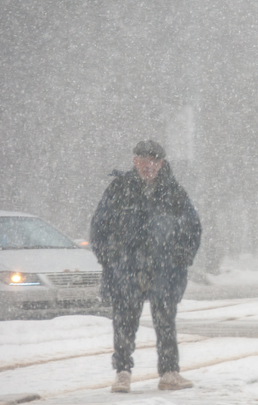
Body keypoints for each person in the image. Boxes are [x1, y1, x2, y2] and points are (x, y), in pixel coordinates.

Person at [90, 140, 201, 393]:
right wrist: (109, 257)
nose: (148, 166)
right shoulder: (119, 190)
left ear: (161, 164)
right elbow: (99, 227)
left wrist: (182, 255)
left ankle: (169, 373)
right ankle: (122, 373)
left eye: (153, 162)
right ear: (134, 161)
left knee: (165, 322)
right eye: (143, 161)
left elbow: (192, 228)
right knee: (124, 321)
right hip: (126, 269)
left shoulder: (174, 193)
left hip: (164, 269)